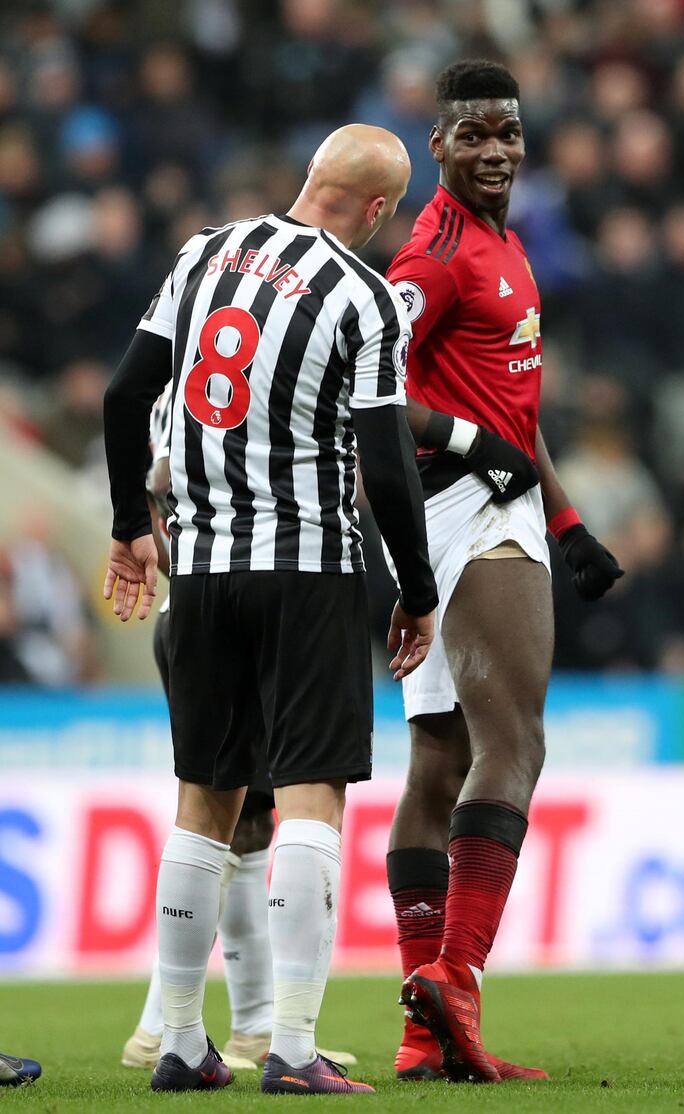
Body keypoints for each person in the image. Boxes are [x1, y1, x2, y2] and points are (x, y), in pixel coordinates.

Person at [103, 124, 438, 1096]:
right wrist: (416, 590)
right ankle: (291, 1045)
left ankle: (176, 1038)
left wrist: (132, 522)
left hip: (200, 572)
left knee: (202, 805)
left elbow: (129, 394)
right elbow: (383, 460)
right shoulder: (362, 294)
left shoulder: (203, 252)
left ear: (308, 178)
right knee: (309, 798)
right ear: (378, 209)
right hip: (308, 567)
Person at [384, 60, 623, 1084]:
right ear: (435, 145)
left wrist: (565, 519)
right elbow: (364, 391)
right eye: (473, 135)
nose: (495, 151)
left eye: (508, 134)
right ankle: (460, 981)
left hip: (498, 507)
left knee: (438, 761)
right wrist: (475, 448)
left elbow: (513, 412)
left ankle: (418, 1024)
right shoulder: (432, 254)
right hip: (466, 513)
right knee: (513, 739)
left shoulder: (505, 246)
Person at [121, 383, 355, 1074]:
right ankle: (166, 1026)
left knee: (245, 821)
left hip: (198, 605)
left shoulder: (183, 372)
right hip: (247, 603)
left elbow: (156, 477)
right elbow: (163, 478)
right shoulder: (241, 369)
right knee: (222, 819)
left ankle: (245, 1025)